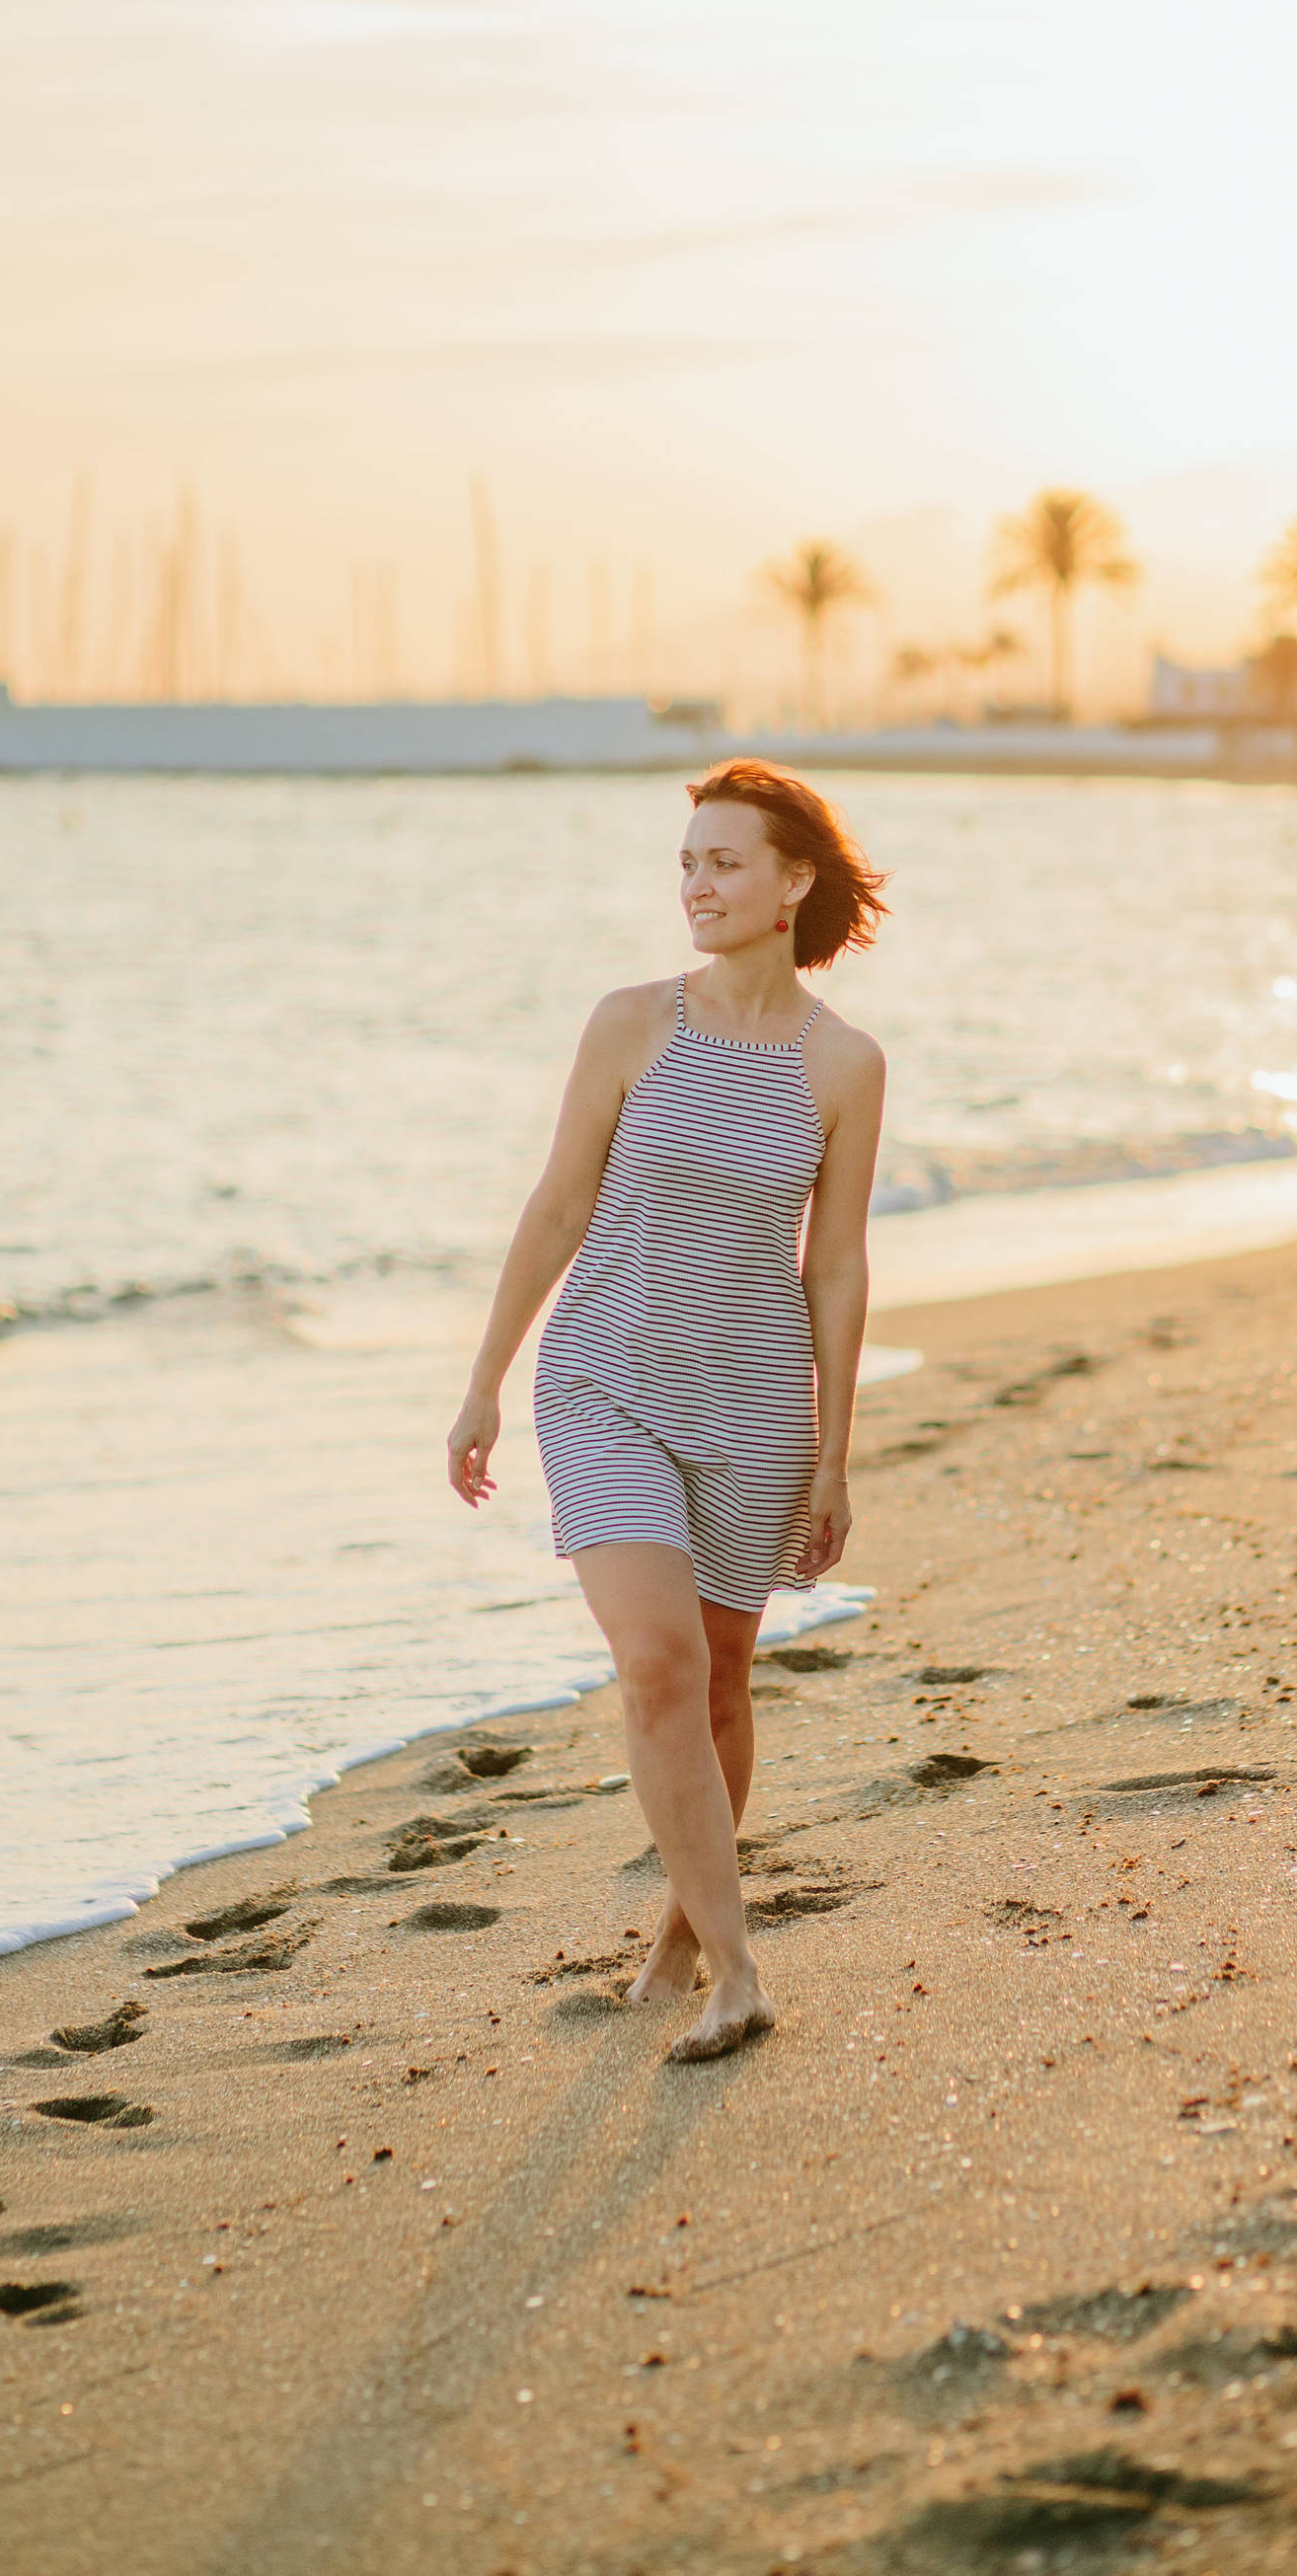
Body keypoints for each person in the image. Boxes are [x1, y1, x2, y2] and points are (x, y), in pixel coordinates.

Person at [446, 759, 888, 2061]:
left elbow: (839, 1267)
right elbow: (558, 1205)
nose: (696, 884)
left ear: (792, 881)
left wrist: (838, 1455)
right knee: (658, 1666)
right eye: (686, 862)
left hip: (754, 1403)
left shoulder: (845, 1064)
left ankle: (685, 1936)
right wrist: (484, 1378)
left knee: (724, 1678)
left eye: (724, 861)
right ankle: (740, 1973)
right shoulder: (632, 1023)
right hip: (605, 1380)